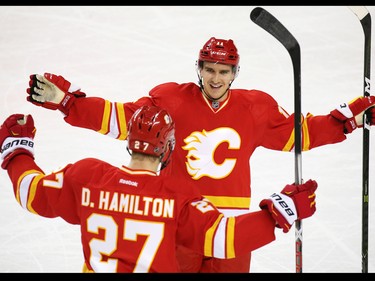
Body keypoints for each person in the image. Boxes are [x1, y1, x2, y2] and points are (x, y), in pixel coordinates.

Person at [26, 37, 375, 273]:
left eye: (224, 71)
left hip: (233, 229)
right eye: (209, 69)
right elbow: (123, 119)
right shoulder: (172, 99)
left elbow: (301, 134)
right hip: (180, 224)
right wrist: (69, 102)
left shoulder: (255, 108)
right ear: (199, 68)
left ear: (235, 73)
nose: (216, 78)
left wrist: (349, 119)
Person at [0, 106, 318, 273]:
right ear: (167, 148)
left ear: (129, 143)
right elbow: (225, 240)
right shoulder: (176, 197)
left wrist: (17, 154)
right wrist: (279, 212)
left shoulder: (88, 176)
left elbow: (31, 193)